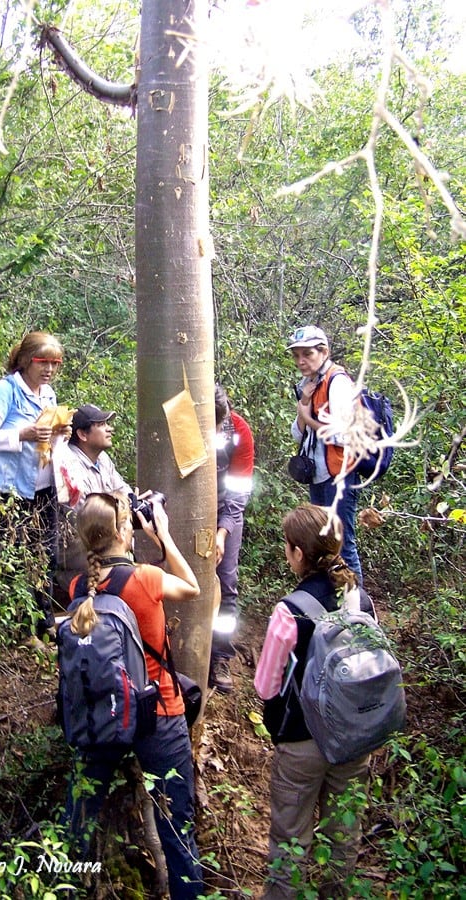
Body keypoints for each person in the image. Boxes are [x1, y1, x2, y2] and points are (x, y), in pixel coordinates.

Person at [63, 491, 204, 900]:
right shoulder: (146, 578)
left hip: (103, 713)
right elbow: (193, 587)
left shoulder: (78, 588)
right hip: (158, 712)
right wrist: (164, 536)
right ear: (124, 531)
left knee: (79, 823)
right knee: (177, 828)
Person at [254, 503, 373, 899]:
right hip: (354, 737)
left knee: (290, 841)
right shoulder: (360, 601)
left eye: (287, 547)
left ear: (298, 553)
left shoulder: (289, 612)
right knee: (344, 836)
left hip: (302, 741)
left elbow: (266, 687)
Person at [0, 331, 68, 634]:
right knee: (13, 561)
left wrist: (59, 434)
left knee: (46, 557)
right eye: (43, 362)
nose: (49, 369)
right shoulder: (5, 391)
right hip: (8, 493)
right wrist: (21, 435)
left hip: (43, 489)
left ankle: (44, 623)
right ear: (26, 361)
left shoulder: (47, 393)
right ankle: (19, 630)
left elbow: (49, 439)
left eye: (55, 363)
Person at [287, 325, 362, 582]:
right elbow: (298, 434)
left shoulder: (337, 382)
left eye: (307, 354)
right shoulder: (307, 384)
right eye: (296, 355)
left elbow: (342, 434)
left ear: (324, 352)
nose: (301, 361)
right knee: (320, 543)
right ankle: (330, 605)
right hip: (318, 475)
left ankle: (358, 614)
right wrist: (304, 407)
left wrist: (309, 417)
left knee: (342, 544)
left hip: (340, 475)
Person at [55, 404, 131, 591]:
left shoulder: (102, 459)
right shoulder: (69, 464)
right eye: (101, 424)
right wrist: (120, 503)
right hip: (80, 548)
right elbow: (92, 513)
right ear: (82, 435)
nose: (109, 428)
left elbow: (125, 493)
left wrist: (123, 501)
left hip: (104, 538)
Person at [209, 385, 254, 694]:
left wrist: (223, 532)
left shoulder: (238, 430)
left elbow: (239, 489)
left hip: (227, 510)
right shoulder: (181, 422)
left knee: (226, 584)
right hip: (186, 512)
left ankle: (221, 655)